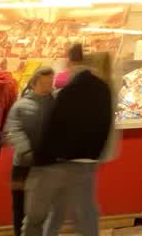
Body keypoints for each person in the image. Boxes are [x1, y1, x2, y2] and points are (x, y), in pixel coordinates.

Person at [22, 51, 115, 236]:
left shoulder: (69, 91)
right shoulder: (104, 89)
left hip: (55, 162)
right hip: (86, 163)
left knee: (35, 215)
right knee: (84, 215)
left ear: (71, 64)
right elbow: (104, 125)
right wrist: (94, 154)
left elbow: (54, 127)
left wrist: (38, 159)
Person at [5, 67, 55, 236]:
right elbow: (13, 130)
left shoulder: (56, 103)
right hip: (23, 165)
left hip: (47, 165)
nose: (49, 86)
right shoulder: (20, 106)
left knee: (44, 207)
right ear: (34, 83)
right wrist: (27, 152)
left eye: (51, 82)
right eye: (45, 82)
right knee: (20, 206)